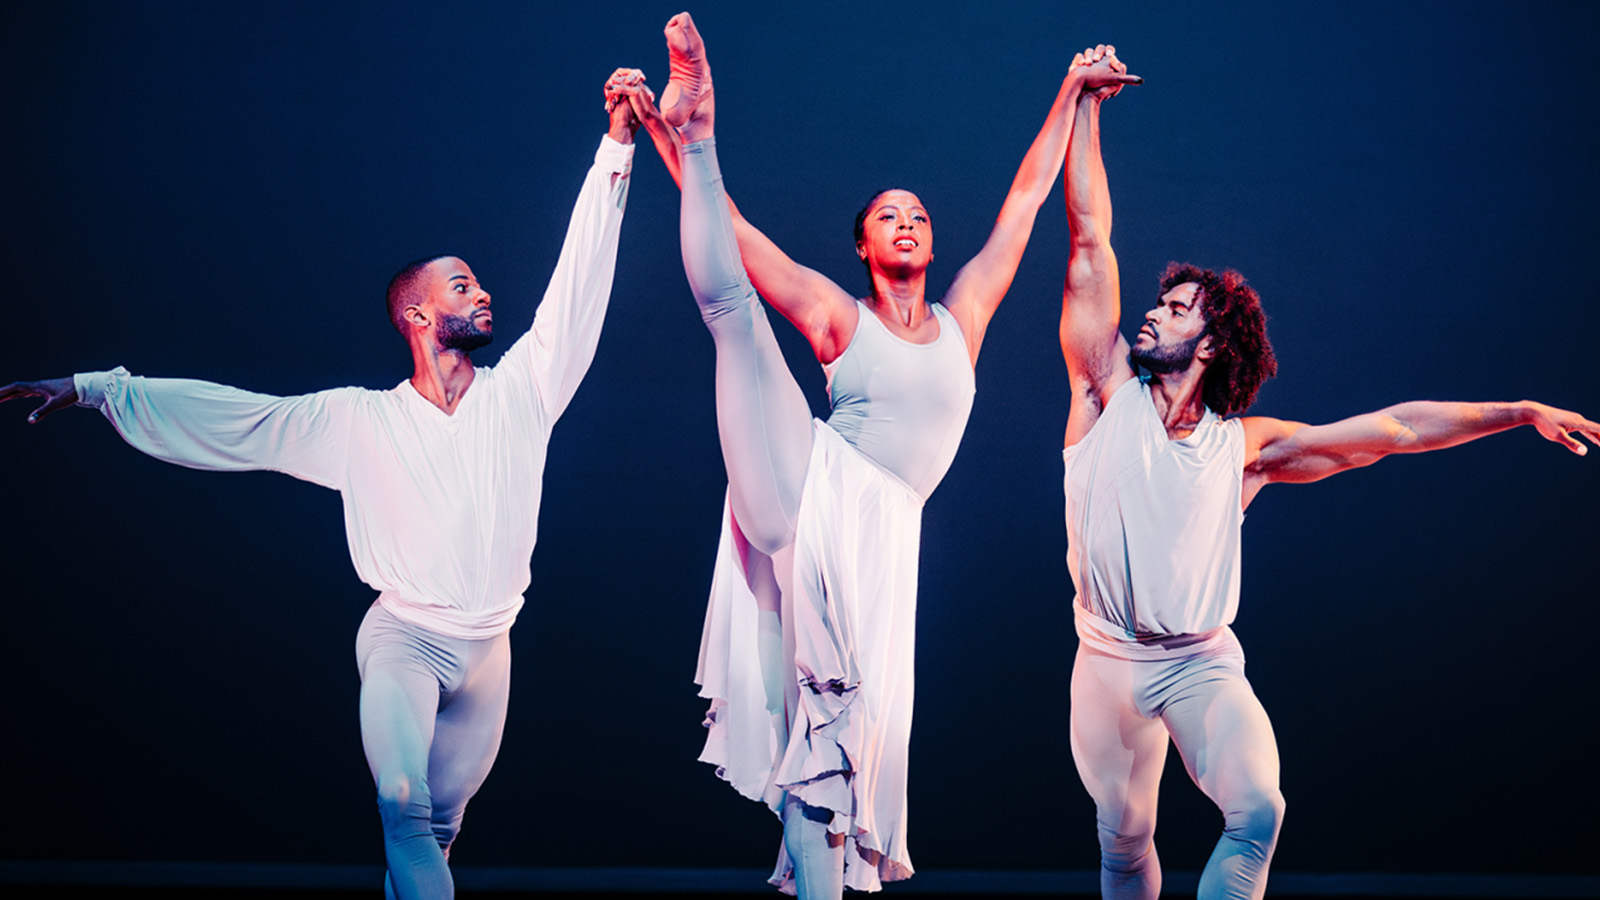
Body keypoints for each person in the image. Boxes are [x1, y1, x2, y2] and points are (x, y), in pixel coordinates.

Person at [0, 71, 649, 900]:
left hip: (492, 650)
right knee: (403, 806)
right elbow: (240, 420)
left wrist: (617, 147)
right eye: (462, 286)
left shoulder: (526, 390)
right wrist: (97, 387)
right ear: (416, 316)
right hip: (404, 642)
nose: (484, 293)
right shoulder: (357, 422)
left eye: (481, 285)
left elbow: (581, 283)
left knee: (437, 832)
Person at [1056, 46, 1600, 900]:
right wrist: (1085, 107)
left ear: (1212, 343)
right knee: (1124, 842)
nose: (1153, 312)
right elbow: (1091, 238)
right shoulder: (1100, 388)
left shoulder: (1246, 447)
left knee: (1258, 810)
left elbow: (1395, 429)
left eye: (1176, 308)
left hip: (1200, 661)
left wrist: (1518, 412)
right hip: (1107, 659)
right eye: (1157, 303)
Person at [629, 14, 1141, 898]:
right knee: (737, 322)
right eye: (885, 219)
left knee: (845, 735)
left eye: (918, 217)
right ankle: (700, 122)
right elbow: (735, 238)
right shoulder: (840, 315)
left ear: (931, 245)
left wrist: (1071, 91)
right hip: (812, 485)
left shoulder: (962, 320)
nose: (904, 224)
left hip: (886, 539)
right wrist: (673, 142)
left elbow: (1024, 203)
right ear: (864, 249)